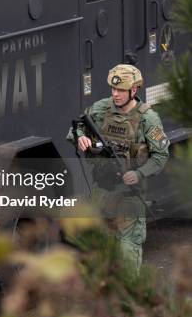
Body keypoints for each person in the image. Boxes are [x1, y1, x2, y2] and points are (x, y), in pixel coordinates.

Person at [70, 64, 169, 272]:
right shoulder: (100, 109)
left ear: (134, 90)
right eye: (113, 89)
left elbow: (161, 156)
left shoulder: (147, 119)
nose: (115, 94)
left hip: (128, 198)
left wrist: (139, 173)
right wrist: (81, 138)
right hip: (101, 194)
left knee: (127, 256)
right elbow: (77, 126)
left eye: (121, 90)